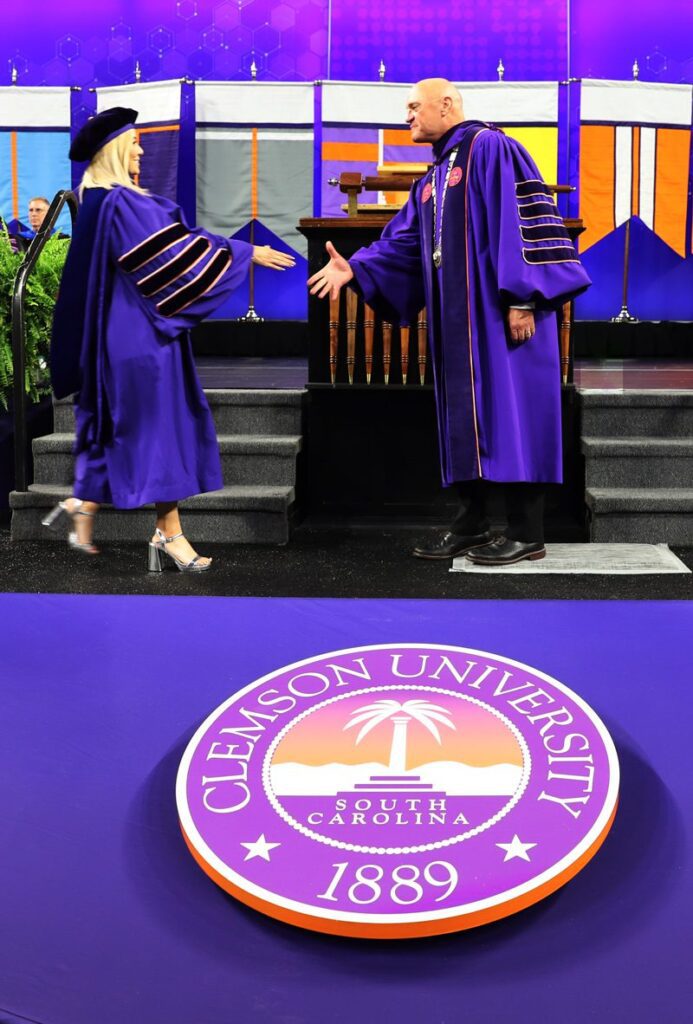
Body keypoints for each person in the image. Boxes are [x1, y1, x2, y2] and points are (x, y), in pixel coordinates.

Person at [308, 78, 591, 566]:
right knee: (468, 418)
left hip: (503, 314)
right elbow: (403, 243)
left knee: (515, 415)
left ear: (446, 105)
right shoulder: (434, 177)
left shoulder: (491, 148)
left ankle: (527, 532)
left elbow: (521, 220)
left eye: (414, 106)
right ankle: (471, 523)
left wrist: (523, 298)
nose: (407, 116)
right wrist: (355, 267)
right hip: (460, 324)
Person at [45, 106, 294, 571]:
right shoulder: (122, 203)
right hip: (143, 338)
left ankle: (98, 506)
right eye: (134, 142)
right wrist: (244, 253)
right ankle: (159, 530)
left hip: (124, 334)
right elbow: (176, 251)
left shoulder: (96, 201)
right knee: (160, 431)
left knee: (137, 428)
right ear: (114, 149)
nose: (141, 150)